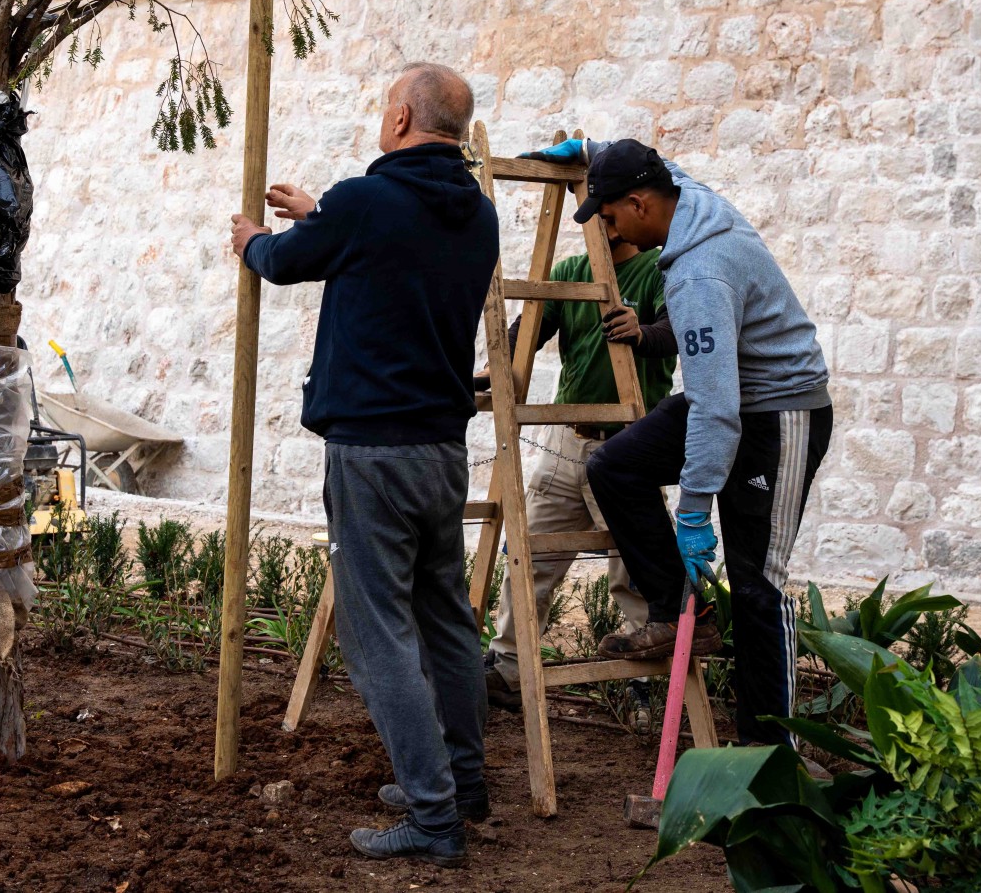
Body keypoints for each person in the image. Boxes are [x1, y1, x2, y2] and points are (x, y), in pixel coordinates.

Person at [230, 63, 498, 868]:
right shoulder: (478, 214)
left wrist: (253, 242)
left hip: (371, 451)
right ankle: (464, 780)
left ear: (403, 115)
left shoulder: (365, 200)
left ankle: (434, 813)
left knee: (375, 632)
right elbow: (383, 248)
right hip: (441, 450)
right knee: (446, 620)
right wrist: (321, 215)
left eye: (388, 106)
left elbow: (281, 263)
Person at [536, 138, 832, 750]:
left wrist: (695, 508)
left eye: (611, 214)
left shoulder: (699, 272)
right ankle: (677, 617)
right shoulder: (683, 195)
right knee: (616, 466)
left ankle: (771, 756)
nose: (607, 227)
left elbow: (714, 408)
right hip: (731, 391)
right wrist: (593, 151)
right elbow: (659, 164)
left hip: (779, 412)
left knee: (757, 585)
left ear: (642, 203)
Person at [478, 220, 679, 710]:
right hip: (568, 439)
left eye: (609, 213)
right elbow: (526, 333)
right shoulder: (570, 271)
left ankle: (643, 686)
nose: (602, 222)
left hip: (631, 444)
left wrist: (644, 331)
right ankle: (507, 665)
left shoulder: (659, 269)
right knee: (531, 561)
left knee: (634, 571)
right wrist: (494, 369)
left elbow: (680, 331)